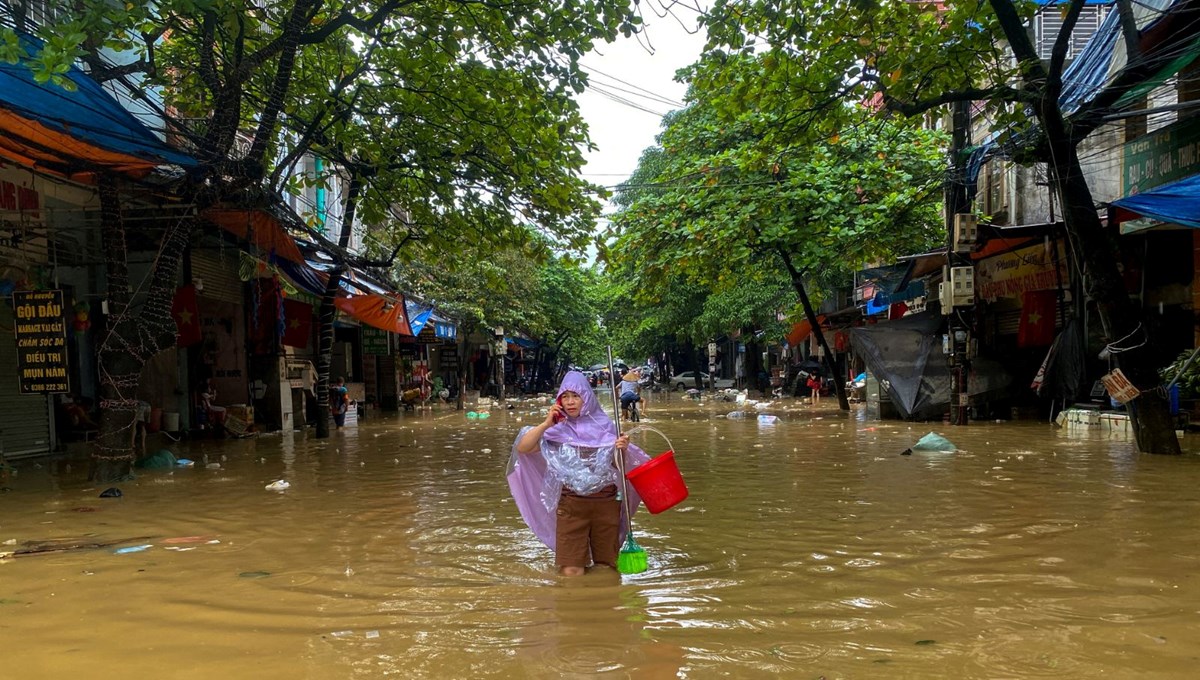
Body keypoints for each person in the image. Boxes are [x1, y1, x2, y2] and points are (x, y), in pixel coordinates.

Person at [508, 371, 649, 576]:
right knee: (571, 570)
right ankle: (571, 605)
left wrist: (621, 449)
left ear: (587, 398)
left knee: (606, 568)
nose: (570, 402)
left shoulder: (606, 426)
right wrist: (547, 423)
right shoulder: (557, 430)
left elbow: (617, 467)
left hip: (606, 503)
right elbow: (524, 448)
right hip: (571, 504)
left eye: (576, 396)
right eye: (565, 397)